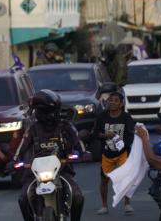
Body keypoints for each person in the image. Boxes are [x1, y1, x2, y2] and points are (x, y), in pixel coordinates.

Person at [14, 89, 85, 221]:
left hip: (63, 171)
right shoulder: (32, 128)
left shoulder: (65, 126)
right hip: (35, 174)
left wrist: (84, 152)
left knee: (77, 197)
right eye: (41, 111)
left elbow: (77, 140)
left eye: (47, 111)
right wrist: (14, 161)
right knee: (23, 198)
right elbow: (21, 147)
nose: (45, 115)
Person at [93, 92, 135, 215]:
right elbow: (96, 134)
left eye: (115, 100)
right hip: (107, 153)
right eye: (110, 100)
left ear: (121, 104)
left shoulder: (126, 117)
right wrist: (105, 135)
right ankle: (104, 206)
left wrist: (124, 145)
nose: (112, 102)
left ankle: (127, 204)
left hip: (123, 153)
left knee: (126, 178)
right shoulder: (102, 117)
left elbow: (131, 134)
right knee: (104, 179)